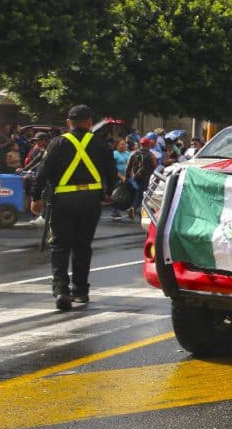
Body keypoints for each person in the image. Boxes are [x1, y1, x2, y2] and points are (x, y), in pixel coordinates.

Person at [31, 105, 119, 310]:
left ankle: (62, 290)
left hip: (63, 199)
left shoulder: (58, 143)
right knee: (83, 246)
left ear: (68, 122)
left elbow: (43, 172)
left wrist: (35, 197)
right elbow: (111, 173)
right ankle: (81, 291)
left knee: (60, 246)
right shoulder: (101, 144)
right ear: (89, 122)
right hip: (90, 200)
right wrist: (109, 193)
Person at [125, 137, 158, 221]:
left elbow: (128, 167)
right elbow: (156, 167)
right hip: (147, 178)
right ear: (148, 145)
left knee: (138, 193)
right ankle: (136, 209)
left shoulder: (133, 153)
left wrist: (127, 177)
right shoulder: (150, 155)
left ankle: (137, 209)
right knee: (144, 195)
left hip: (135, 177)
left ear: (140, 144)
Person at [110, 138, 131, 220]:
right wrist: (121, 177)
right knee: (117, 195)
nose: (124, 145)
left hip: (127, 177)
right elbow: (113, 168)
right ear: (117, 145)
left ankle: (130, 208)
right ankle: (115, 212)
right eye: (122, 144)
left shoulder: (128, 153)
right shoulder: (114, 154)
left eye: (125, 144)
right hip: (117, 177)